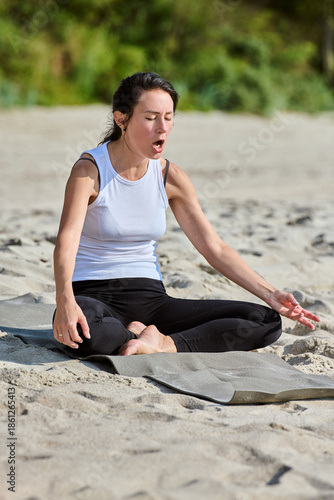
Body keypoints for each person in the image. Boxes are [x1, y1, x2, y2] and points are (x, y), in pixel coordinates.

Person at [53, 71, 320, 357]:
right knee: (83, 331)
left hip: (152, 300)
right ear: (122, 119)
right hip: (94, 296)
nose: (162, 128)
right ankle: (137, 335)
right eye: (151, 117)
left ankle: (163, 343)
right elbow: (66, 242)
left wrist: (270, 294)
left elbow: (214, 247)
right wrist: (65, 301)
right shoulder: (90, 171)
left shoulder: (171, 177)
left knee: (265, 321)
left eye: (168, 117)